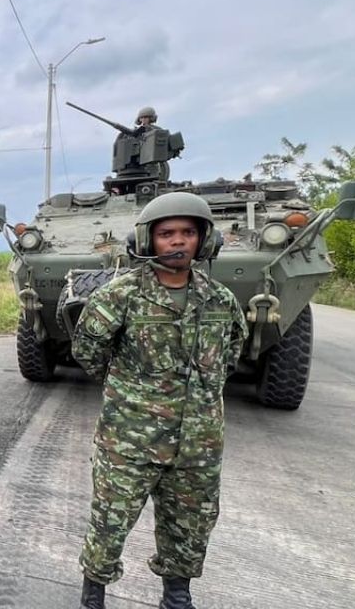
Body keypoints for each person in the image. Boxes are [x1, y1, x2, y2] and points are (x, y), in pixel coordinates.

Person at [71, 192, 247, 609]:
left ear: (204, 240)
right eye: (167, 233)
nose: (178, 241)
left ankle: (177, 595)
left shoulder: (220, 299)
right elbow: (88, 351)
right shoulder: (120, 295)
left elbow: (230, 356)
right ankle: (93, 594)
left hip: (197, 445)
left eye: (188, 232)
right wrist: (132, 392)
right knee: (110, 524)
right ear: (148, 240)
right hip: (130, 441)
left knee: (191, 526)